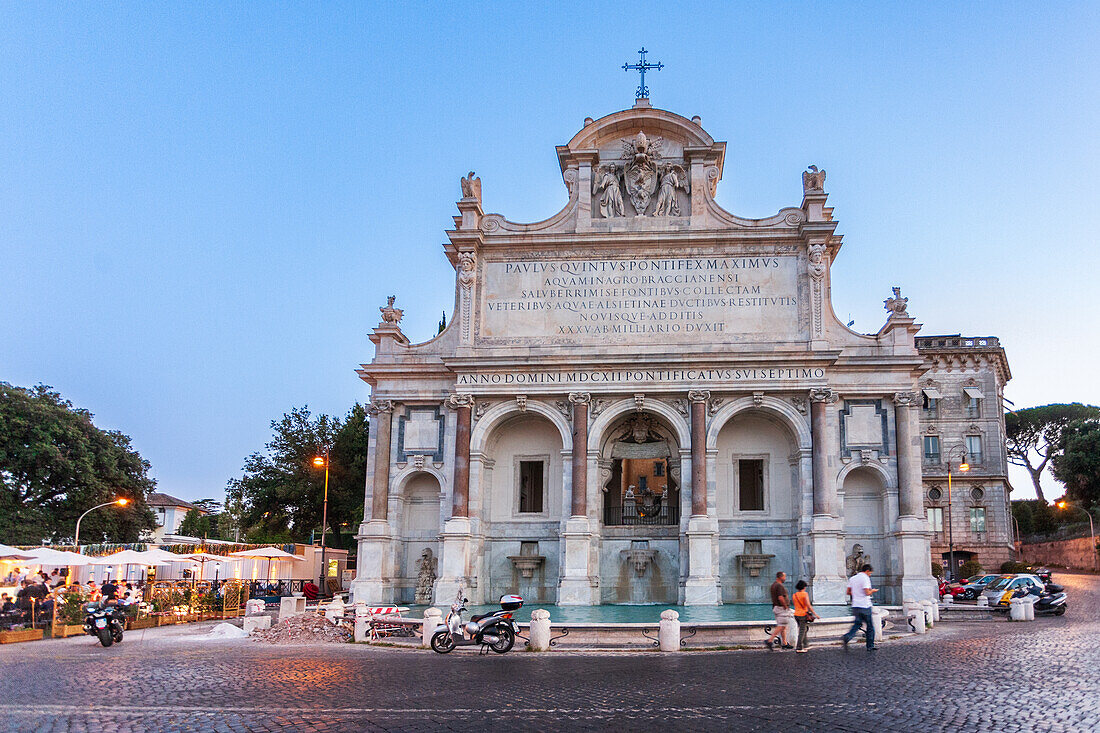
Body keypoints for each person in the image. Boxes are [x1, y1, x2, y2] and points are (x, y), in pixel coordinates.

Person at [842, 563, 878, 650]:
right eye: (870, 573)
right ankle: (870, 646)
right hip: (865, 605)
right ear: (867, 571)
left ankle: (847, 636)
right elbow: (867, 592)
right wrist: (873, 591)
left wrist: (856, 593)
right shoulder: (865, 578)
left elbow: (848, 592)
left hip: (855, 605)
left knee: (857, 624)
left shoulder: (853, 578)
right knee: (870, 626)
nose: (870, 575)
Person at [764, 571, 792, 650]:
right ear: (780, 577)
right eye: (784, 577)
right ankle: (770, 640)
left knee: (783, 626)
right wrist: (785, 606)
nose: (785, 578)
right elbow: (780, 598)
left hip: (776, 607)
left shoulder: (773, 585)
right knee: (781, 625)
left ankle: (784, 643)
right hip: (781, 608)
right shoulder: (779, 586)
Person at [792, 580, 818, 653]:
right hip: (803, 615)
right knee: (802, 631)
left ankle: (806, 645)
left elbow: (795, 605)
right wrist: (815, 614)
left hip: (796, 614)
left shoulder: (794, 595)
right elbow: (808, 605)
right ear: (803, 587)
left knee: (803, 630)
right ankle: (799, 647)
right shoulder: (805, 594)